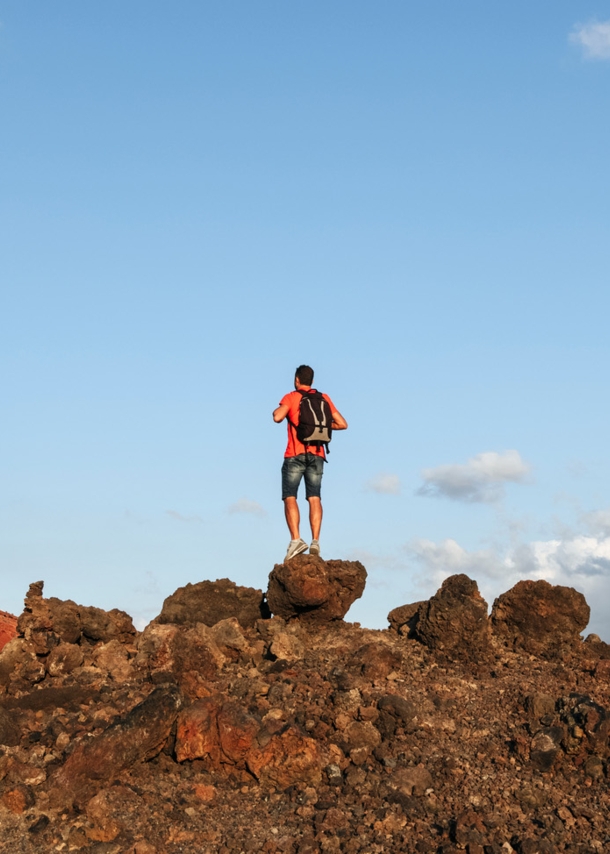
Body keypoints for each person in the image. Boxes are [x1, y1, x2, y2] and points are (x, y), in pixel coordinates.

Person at [273, 365, 347, 560]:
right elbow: (342, 424)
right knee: (314, 497)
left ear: (297, 379)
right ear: (312, 381)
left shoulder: (291, 397)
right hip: (317, 454)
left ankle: (296, 540)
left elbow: (277, 417)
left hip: (295, 454)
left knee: (290, 497)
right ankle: (315, 541)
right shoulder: (323, 398)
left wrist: (280, 409)